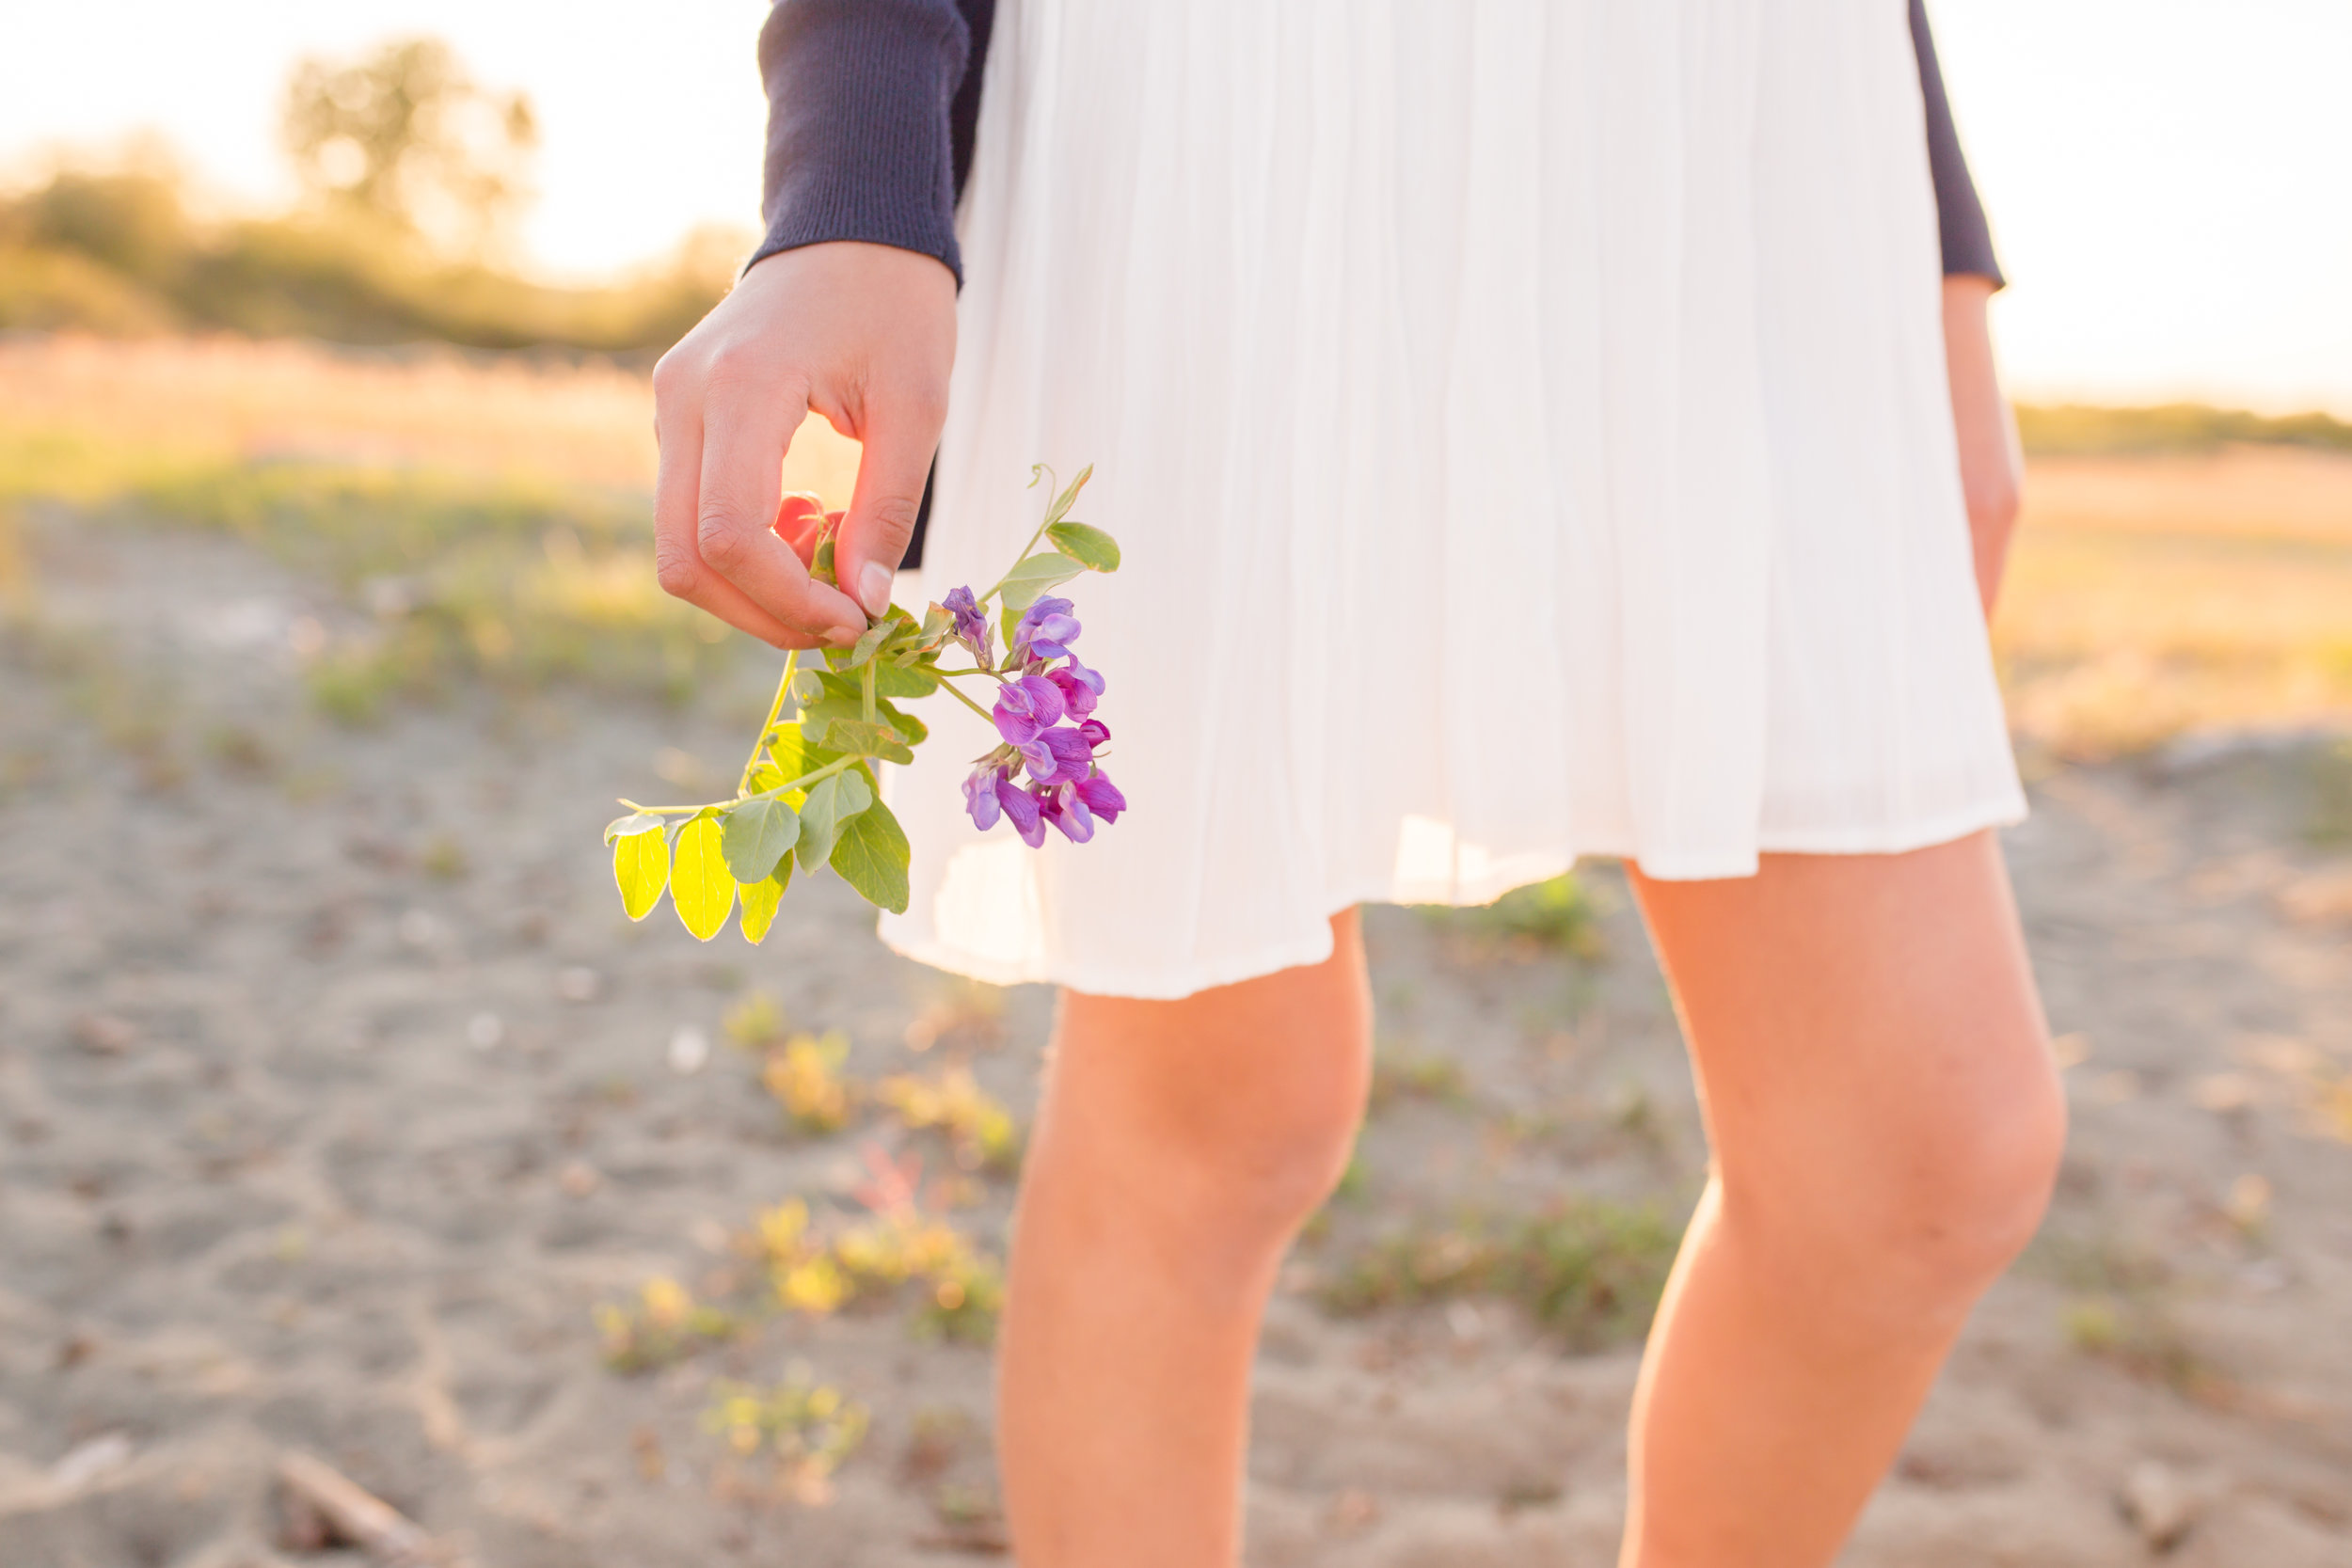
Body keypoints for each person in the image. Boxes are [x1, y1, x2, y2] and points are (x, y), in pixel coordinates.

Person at [649, 1, 2064, 1562]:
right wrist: (845, 186)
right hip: (1238, 109)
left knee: (1919, 1158)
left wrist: (1942, 251)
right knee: (1221, 1103)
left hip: (1744, 127)